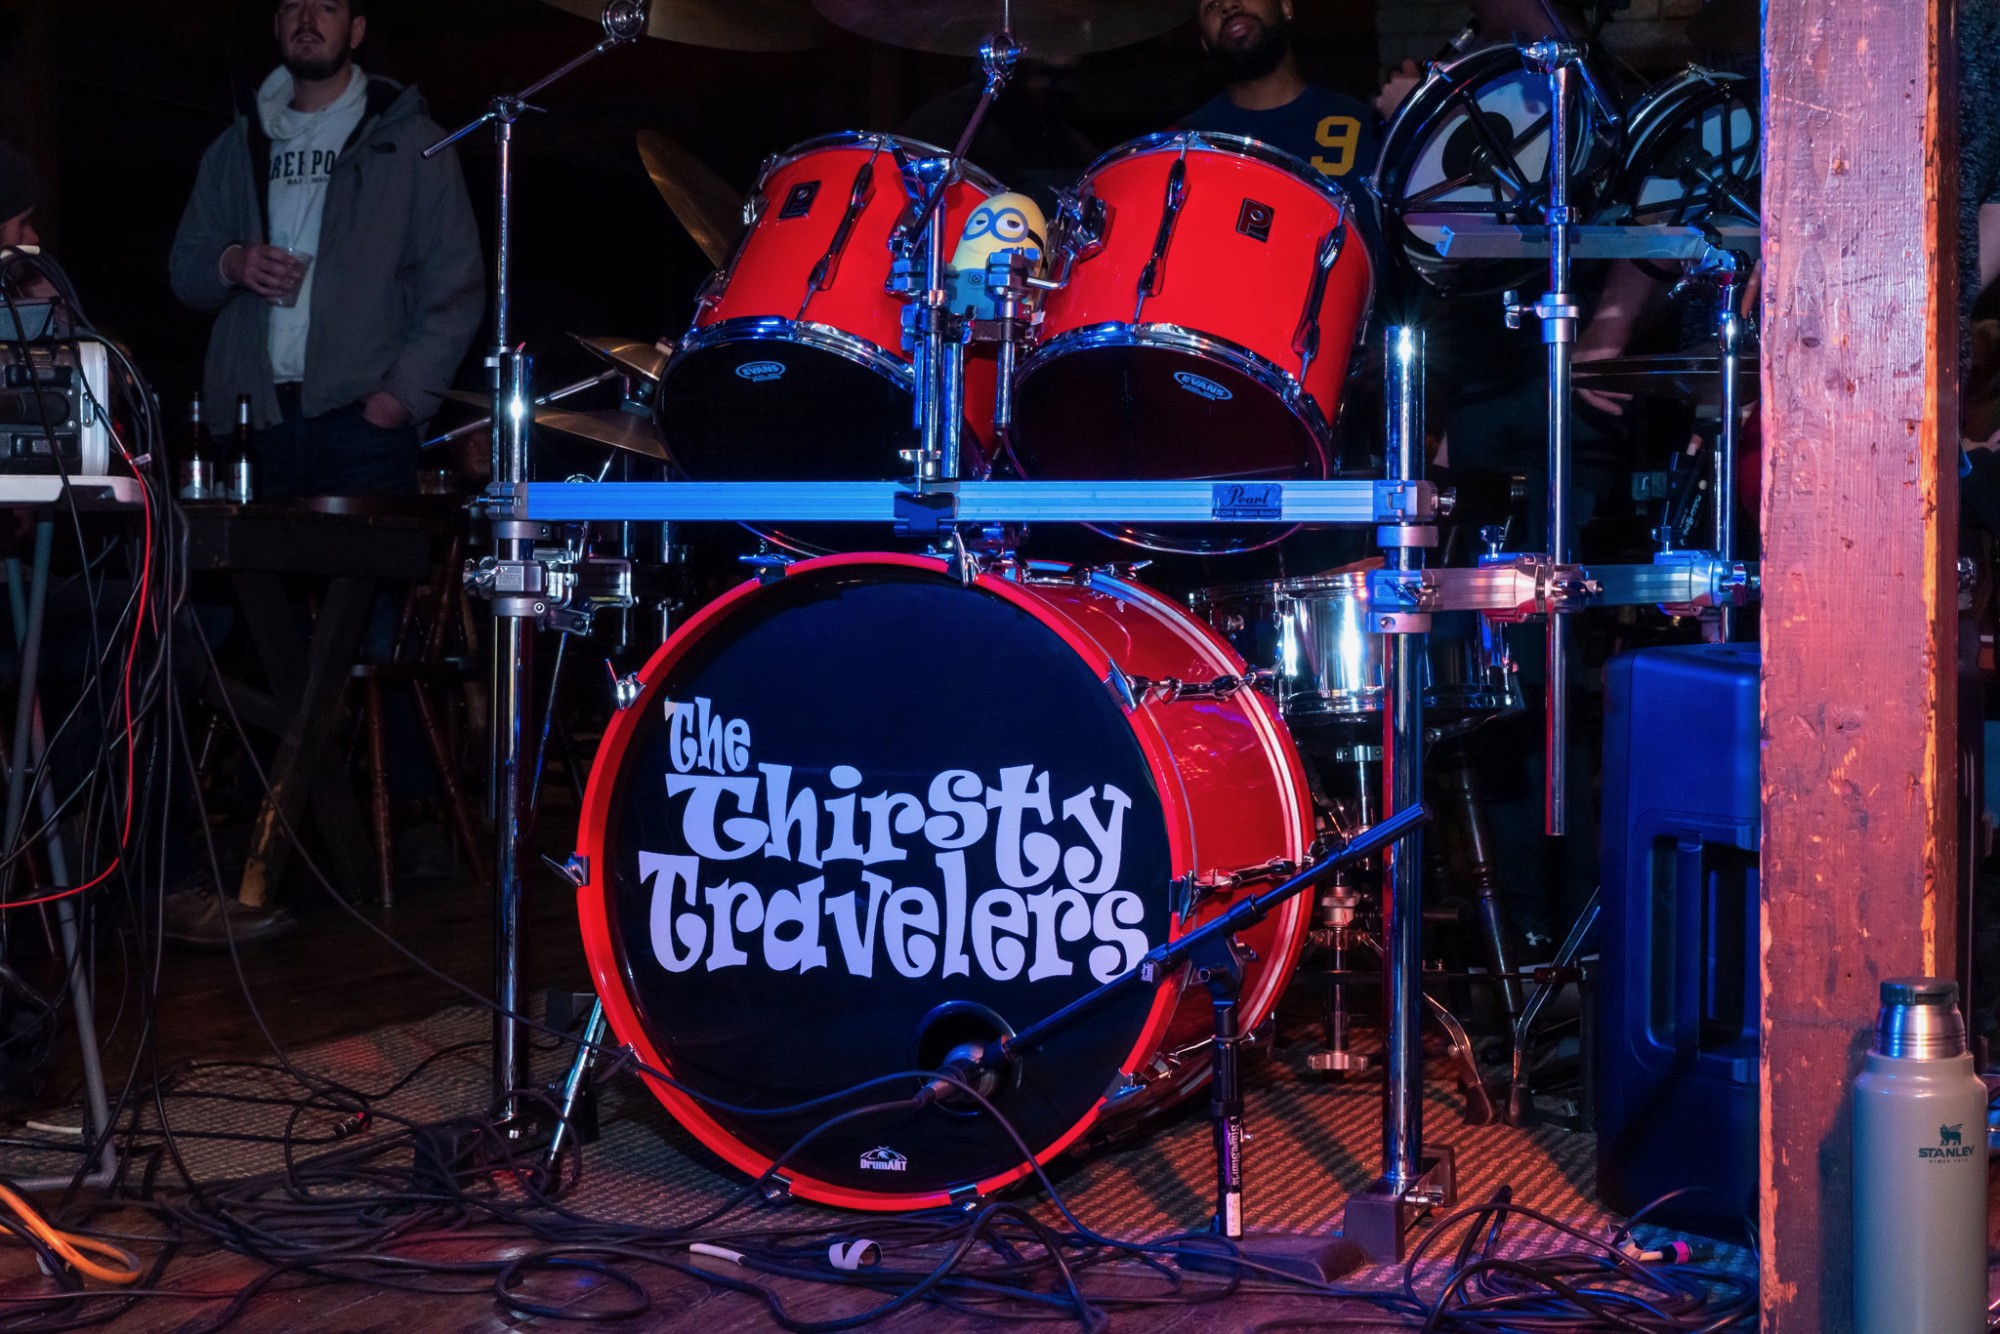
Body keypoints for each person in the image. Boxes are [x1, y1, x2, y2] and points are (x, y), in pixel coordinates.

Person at [169, 0, 484, 499]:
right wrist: (233, 262)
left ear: (357, 30)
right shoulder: (235, 147)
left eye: (327, 7)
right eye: (294, 5)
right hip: (255, 418)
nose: (308, 19)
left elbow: (455, 286)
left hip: (362, 421)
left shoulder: (413, 144)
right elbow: (186, 269)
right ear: (275, 25)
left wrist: (400, 398)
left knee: (359, 573)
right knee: (252, 570)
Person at [1182, 0, 1382, 187]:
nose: (1227, 5)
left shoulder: (1367, 127)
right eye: (1211, 5)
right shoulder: (1186, 143)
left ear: (1285, 7)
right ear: (1205, 44)